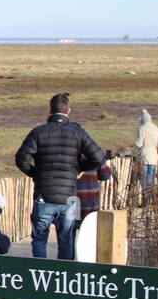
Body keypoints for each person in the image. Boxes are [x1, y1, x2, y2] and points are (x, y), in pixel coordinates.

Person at [14, 92, 104, 260]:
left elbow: (21, 159)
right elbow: (98, 157)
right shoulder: (77, 133)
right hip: (68, 198)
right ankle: (65, 278)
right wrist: (79, 169)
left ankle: (39, 276)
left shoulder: (38, 132)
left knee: (40, 240)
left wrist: (36, 174)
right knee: (66, 240)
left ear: (50, 110)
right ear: (68, 111)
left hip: (44, 196)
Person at [135, 110, 158, 189]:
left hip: (144, 156)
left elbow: (138, 144)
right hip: (153, 156)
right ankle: (150, 197)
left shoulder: (142, 129)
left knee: (144, 179)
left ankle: (144, 196)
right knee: (151, 179)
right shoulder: (156, 129)